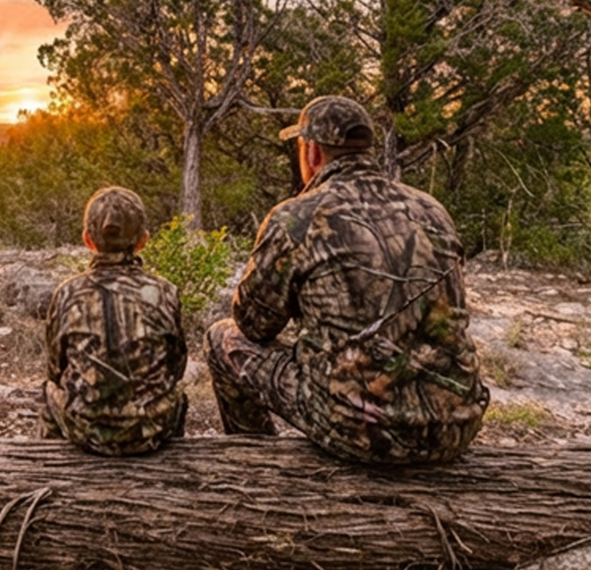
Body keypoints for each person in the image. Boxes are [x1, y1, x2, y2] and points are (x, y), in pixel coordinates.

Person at [206, 96, 486, 463]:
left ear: (312, 152)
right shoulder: (432, 210)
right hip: (455, 424)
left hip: (361, 433)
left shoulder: (298, 217)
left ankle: (255, 465)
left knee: (222, 338)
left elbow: (253, 325)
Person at [42, 186, 188, 455]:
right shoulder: (165, 291)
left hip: (85, 431)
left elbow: (55, 368)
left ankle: (51, 466)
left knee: (48, 389)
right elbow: (176, 366)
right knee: (180, 396)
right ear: (143, 240)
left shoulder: (67, 293)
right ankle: (171, 464)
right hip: (151, 429)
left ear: (88, 239)